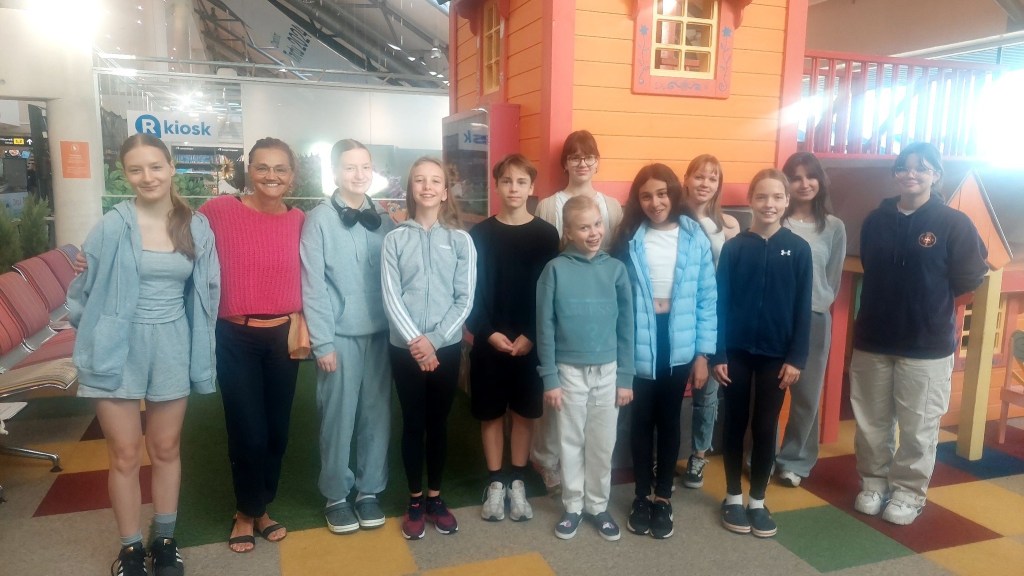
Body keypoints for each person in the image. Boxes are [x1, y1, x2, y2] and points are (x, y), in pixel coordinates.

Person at [68, 134, 220, 576]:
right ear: (125, 174)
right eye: (136, 169)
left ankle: (165, 540)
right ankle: (131, 548)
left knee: (166, 447)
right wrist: (96, 330)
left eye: (155, 166)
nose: (147, 177)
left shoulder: (195, 226)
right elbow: (81, 294)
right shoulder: (112, 225)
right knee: (124, 453)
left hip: (172, 344)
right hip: (117, 345)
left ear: (171, 167)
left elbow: (207, 290)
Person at [850, 142, 987, 525]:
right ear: (896, 173)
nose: (911, 174)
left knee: (918, 428)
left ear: (936, 175)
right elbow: (871, 265)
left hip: (926, 344)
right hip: (873, 339)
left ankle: (908, 494)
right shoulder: (875, 220)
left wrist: (929, 302)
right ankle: (873, 483)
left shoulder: (953, 223)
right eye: (904, 167)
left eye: (922, 168)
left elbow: (969, 277)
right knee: (871, 422)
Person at [198, 137, 305, 553]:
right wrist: (98, 256)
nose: (271, 176)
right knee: (248, 431)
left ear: (292, 176)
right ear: (249, 171)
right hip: (235, 337)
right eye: (262, 167)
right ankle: (245, 512)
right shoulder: (219, 211)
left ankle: (262, 507)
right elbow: (171, 235)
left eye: (280, 169)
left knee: (277, 431)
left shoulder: (300, 220)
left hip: (283, 337)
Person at [613, 164, 717, 539]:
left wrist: (703, 354)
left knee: (670, 419)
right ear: (637, 200)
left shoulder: (695, 236)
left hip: (680, 340)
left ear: (674, 194)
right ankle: (642, 495)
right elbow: (616, 296)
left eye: (662, 194)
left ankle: (663, 497)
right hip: (639, 335)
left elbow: (707, 298)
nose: (655, 202)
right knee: (640, 419)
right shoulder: (629, 236)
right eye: (646, 196)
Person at [300, 139, 394, 534]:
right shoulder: (319, 219)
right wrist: (322, 342)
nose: (359, 174)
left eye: (365, 167)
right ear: (335, 172)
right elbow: (313, 285)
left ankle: (369, 490)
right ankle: (336, 495)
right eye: (350, 167)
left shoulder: (383, 217)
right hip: (339, 335)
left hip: (382, 334)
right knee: (338, 416)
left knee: (377, 414)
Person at [712, 168, 812, 539]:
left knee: (766, 425)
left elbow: (803, 308)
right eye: (762, 197)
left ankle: (757, 499)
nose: (769, 204)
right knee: (735, 422)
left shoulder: (798, 250)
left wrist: (796, 357)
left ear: (787, 201)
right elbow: (720, 302)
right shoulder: (735, 248)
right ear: (750, 201)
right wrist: (718, 353)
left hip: (777, 356)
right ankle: (733, 496)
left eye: (777, 197)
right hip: (736, 352)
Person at [382, 157, 477, 540]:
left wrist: (434, 341)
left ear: (444, 191)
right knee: (413, 422)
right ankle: (415, 500)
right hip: (404, 348)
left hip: (445, 348)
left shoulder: (460, 240)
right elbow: (390, 296)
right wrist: (416, 342)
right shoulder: (394, 239)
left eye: (435, 181)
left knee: (438, 423)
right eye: (419, 180)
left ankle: (436, 498)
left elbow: (465, 298)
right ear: (411, 188)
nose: (427, 186)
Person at [536, 195, 634, 541]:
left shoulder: (615, 270)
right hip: (568, 371)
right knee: (571, 440)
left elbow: (627, 327)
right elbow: (545, 327)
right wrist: (550, 378)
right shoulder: (555, 270)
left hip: (608, 371)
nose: (593, 233)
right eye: (583, 227)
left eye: (597, 224)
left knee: (602, 443)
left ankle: (597, 505)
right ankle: (573, 505)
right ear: (568, 232)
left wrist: (625, 378)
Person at [468, 154, 559, 523]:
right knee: (490, 412)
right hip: (489, 341)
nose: (513, 188)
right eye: (506, 181)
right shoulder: (479, 235)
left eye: (521, 182)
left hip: (529, 343)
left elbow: (550, 293)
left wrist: (532, 336)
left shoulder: (546, 235)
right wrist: (487, 332)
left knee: (524, 412)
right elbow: (470, 292)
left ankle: (517, 480)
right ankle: (495, 481)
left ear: (532, 187)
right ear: (497, 185)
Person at [533, 129, 624, 493]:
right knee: (560, 406)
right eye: (575, 156)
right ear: (565, 163)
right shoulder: (548, 206)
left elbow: (613, 256)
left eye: (589, 156)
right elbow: (546, 257)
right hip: (563, 307)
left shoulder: (612, 207)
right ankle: (548, 462)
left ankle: (593, 487)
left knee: (597, 421)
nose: (582, 163)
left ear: (597, 162)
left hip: (598, 314)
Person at [775, 152, 847, 488]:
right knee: (766, 391)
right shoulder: (776, 220)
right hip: (774, 317)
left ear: (820, 180)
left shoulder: (834, 227)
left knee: (806, 395)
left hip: (814, 318)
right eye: (795, 177)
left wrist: (817, 304)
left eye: (810, 176)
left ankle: (795, 461)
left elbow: (832, 277)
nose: (804, 184)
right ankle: (758, 455)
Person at [679, 154, 740, 489]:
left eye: (712, 178)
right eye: (699, 176)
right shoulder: (671, 218)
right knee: (669, 389)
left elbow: (730, 278)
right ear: (686, 179)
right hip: (677, 316)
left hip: (713, 316)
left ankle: (699, 455)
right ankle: (661, 454)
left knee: (707, 393)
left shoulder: (728, 225)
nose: (704, 183)